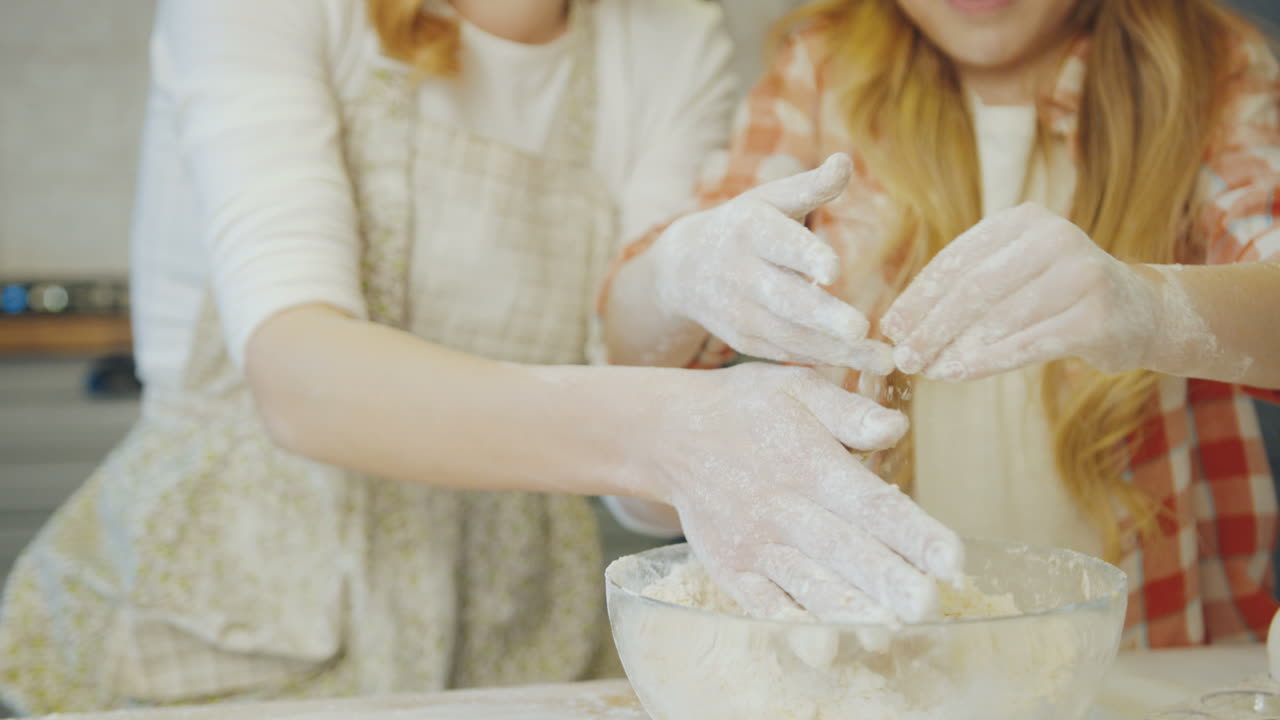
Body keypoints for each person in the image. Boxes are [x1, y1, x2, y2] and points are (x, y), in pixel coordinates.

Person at [0, 0, 965, 713]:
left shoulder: (671, 36)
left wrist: (680, 297)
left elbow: (639, 481)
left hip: (516, 632)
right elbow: (299, 379)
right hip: (231, 623)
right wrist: (666, 429)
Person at [604, 0, 1280, 649]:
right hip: (872, 653)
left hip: (1144, 648)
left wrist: (1154, 308)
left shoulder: (1208, 65)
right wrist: (674, 271)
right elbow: (640, 340)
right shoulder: (823, 67)